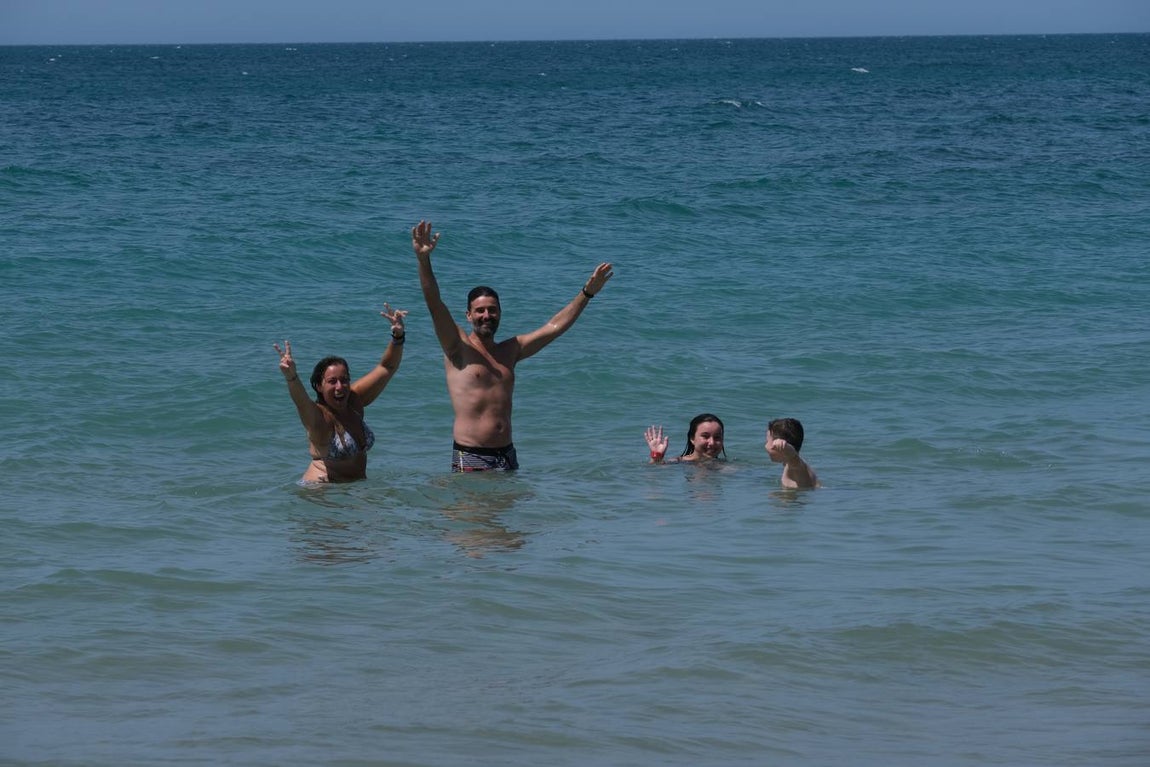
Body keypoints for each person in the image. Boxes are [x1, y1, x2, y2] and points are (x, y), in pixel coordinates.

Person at [411, 220, 614, 472]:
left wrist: (587, 293)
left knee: (506, 513)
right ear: (468, 315)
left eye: (492, 310)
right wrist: (423, 260)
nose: (487, 315)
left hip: (507, 455)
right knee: (471, 513)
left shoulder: (511, 350)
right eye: (480, 311)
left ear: (500, 314)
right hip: (471, 454)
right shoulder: (457, 347)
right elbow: (434, 302)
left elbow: (555, 327)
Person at [274, 304, 408, 483]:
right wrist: (292, 377)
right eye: (332, 382)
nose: (340, 386)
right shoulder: (320, 418)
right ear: (319, 386)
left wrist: (397, 337)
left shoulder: (354, 401)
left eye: (344, 380)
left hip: (348, 493)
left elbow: (386, 368)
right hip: (322, 493)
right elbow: (301, 402)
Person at [645, 413, 727, 464]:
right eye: (705, 436)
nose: (712, 442)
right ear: (692, 438)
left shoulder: (725, 467)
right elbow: (653, 476)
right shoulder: (679, 463)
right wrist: (656, 457)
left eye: (717, 437)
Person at [765, 417, 819, 489]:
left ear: (778, 446)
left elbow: (793, 457)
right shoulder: (792, 465)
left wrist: (786, 447)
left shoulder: (795, 468)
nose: (765, 445)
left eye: (767, 441)